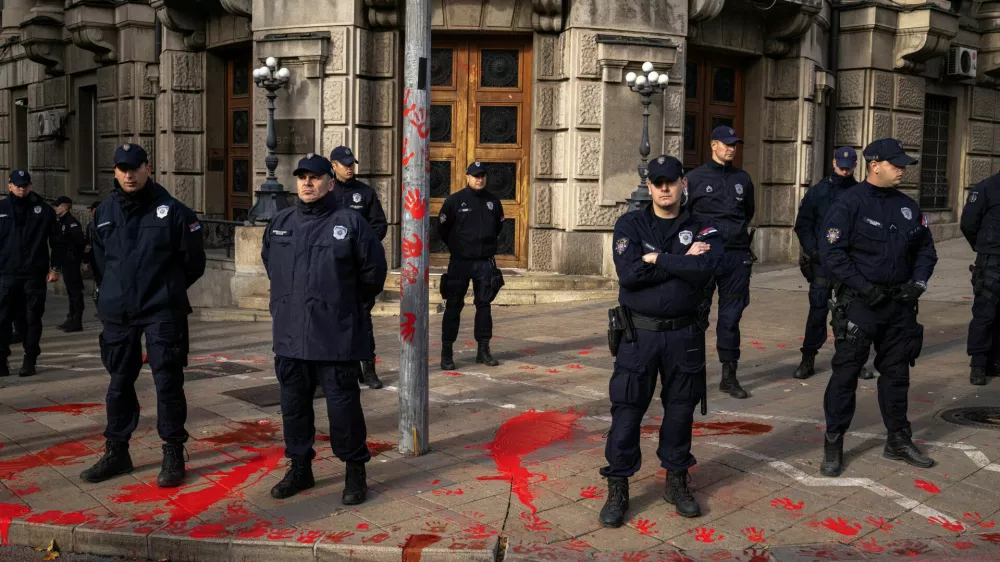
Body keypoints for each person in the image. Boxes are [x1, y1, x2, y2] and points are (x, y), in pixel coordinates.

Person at [599, 155, 722, 527]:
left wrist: (655, 257)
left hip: (684, 335)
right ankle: (618, 485)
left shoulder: (703, 226)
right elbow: (630, 275)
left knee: (681, 411)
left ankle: (676, 480)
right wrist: (677, 260)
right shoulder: (630, 223)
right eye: (658, 182)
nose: (665, 188)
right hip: (639, 335)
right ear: (649, 186)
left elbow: (704, 270)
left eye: (671, 180)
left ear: (683, 182)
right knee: (627, 411)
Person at [261, 153, 387, 503]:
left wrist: (342, 306)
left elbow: (373, 274)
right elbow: (272, 264)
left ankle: (354, 471)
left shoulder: (350, 222)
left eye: (315, 177)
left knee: (343, 410)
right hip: (289, 337)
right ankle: (300, 468)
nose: (307, 183)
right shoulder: (281, 222)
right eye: (302, 177)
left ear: (330, 182)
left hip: (335, 336)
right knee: (294, 408)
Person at [80, 143, 206, 489]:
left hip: (162, 310)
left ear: (148, 168)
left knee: (167, 381)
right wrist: (113, 294)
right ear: (115, 172)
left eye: (135, 167)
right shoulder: (104, 213)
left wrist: (165, 289)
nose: (128, 174)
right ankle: (117, 450)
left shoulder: (174, 211)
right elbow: (102, 265)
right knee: (118, 383)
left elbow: (194, 263)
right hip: (119, 312)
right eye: (122, 168)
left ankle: (173, 452)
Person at [818, 138, 937, 477]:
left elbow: (926, 250)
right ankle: (833, 441)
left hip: (899, 305)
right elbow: (831, 253)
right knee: (846, 374)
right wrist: (865, 289)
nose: (902, 169)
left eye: (903, 164)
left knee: (898, 374)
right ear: (874, 165)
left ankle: (898, 440)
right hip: (860, 304)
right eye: (896, 163)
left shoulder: (908, 206)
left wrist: (918, 283)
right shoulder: (849, 203)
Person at [792, 148, 875, 381]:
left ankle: (853, 361)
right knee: (817, 312)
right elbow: (803, 226)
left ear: (855, 165)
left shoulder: (861, 192)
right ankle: (807, 359)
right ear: (834, 162)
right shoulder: (818, 192)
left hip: (850, 264)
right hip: (822, 263)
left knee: (852, 314)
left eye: (849, 166)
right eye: (841, 165)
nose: (845, 170)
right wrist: (814, 252)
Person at [685, 125, 754, 399]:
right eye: (726, 144)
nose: (731, 148)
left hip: (736, 256)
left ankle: (729, 376)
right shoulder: (695, 178)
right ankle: (690, 372)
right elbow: (685, 217)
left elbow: (748, 212)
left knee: (730, 318)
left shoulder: (743, 179)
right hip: (706, 255)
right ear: (713, 145)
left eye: (734, 144)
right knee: (695, 315)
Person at [329, 145, 387, 390]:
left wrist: (361, 247)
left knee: (363, 320)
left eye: (352, 163)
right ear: (334, 166)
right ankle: (333, 370)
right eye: (345, 164)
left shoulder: (365, 193)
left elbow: (379, 226)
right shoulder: (326, 192)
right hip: (332, 270)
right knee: (330, 321)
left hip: (359, 270)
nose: (350, 168)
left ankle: (369, 369)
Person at [437, 162, 504, 371]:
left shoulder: (493, 201)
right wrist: (459, 247)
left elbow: (498, 226)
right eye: (475, 176)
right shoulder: (455, 201)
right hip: (460, 262)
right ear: (467, 177)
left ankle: (483, 350)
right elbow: (442, 229)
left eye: (482, 175)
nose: (479, 179)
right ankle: (447, 352)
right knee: (453, 306)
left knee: (484, 306)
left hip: (484, 263)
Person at [0, 170, 64, 377]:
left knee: (30, 319)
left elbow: (57, 242)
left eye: (25, 185)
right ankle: (1, 360)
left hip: (33, 275)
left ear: (30, 186)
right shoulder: (1, 209)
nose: (21, 188)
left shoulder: (43, 210)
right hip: (6, 274)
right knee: (2, 319)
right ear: (9, 186)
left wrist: (55, 268)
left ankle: (30, 359)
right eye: (18, 185)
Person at [960, 170, 1000, 385]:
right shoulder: (986, 187)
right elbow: (968, 223)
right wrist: (983, 246)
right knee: (985, 313)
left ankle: (995, 361)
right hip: (992, 260)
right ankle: (978, 364)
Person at [53, 196, 87, 332]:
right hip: (66, 263)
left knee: (75, 293)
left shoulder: (71, 222)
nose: (55, 208)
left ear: (65, 207)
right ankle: (71, 318)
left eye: (57, 206)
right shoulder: (61, 222)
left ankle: (76, 321)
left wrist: (75, 257)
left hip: (72, 262)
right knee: (70, 292)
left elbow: (79, 242)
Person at [82, 200, 103, 312]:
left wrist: (86, 261)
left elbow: (88, 245)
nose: (90, 212)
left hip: (98, 260)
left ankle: (102, 308)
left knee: (100, 285)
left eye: (91, 210)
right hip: (105, 260)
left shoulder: (92, 226)